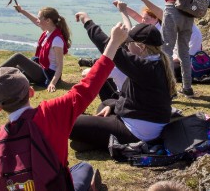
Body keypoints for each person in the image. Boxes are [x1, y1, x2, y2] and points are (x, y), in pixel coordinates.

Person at [0, 21, 129, 191]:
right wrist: (113, 42)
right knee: (83, 168)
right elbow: (87, 88)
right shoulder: (50, 114)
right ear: (31, 92)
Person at [69, 12, 176, 151]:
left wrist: (86, 20)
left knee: (70, 123)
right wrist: (114, 107)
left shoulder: (143, 67)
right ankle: (94, 139)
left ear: (141, 47)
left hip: (137, 133)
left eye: (128, 43)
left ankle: (97, 141)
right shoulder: (158, 62)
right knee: (106, 104)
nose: (125, 46)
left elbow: (106, 45)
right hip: (146, 123)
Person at [0, 6, 71, 92]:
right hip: (40, 68)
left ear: (48, 21)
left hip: (47, 75)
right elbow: (35, 21)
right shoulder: (48, 32)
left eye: (39, 18)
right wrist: (21, 10)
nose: (37, 21)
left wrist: (52, 83)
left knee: (18, 58)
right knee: (15, 71)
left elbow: (59, 66)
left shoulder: (57, 40)